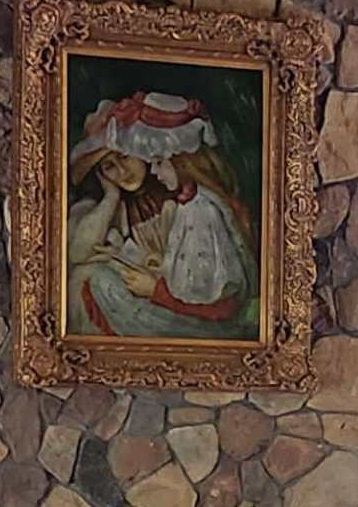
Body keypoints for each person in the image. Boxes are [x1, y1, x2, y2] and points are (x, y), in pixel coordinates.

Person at [66, 89, 256, 340]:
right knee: (89, 275)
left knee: (100, 281)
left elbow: (215, 292)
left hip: (201, 318)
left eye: (125, 157)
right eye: (109, 167)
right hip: (173, 298)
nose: (122, 171)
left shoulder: (197, 209)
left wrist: (155, 289)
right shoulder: (134, 204)